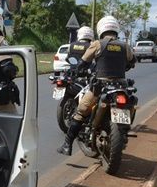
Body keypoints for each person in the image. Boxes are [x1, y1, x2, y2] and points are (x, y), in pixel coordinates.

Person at [58, 15, 135, 155]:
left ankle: (67, 145)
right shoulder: (125, 46)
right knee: (131, 103)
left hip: (101, 87)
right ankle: (123, 132)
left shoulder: (98, 44)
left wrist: (79, 69)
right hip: (121, 86)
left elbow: (83, 62)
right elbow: (132, 62)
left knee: (81, 112)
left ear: (101, 29)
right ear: (116, 29)